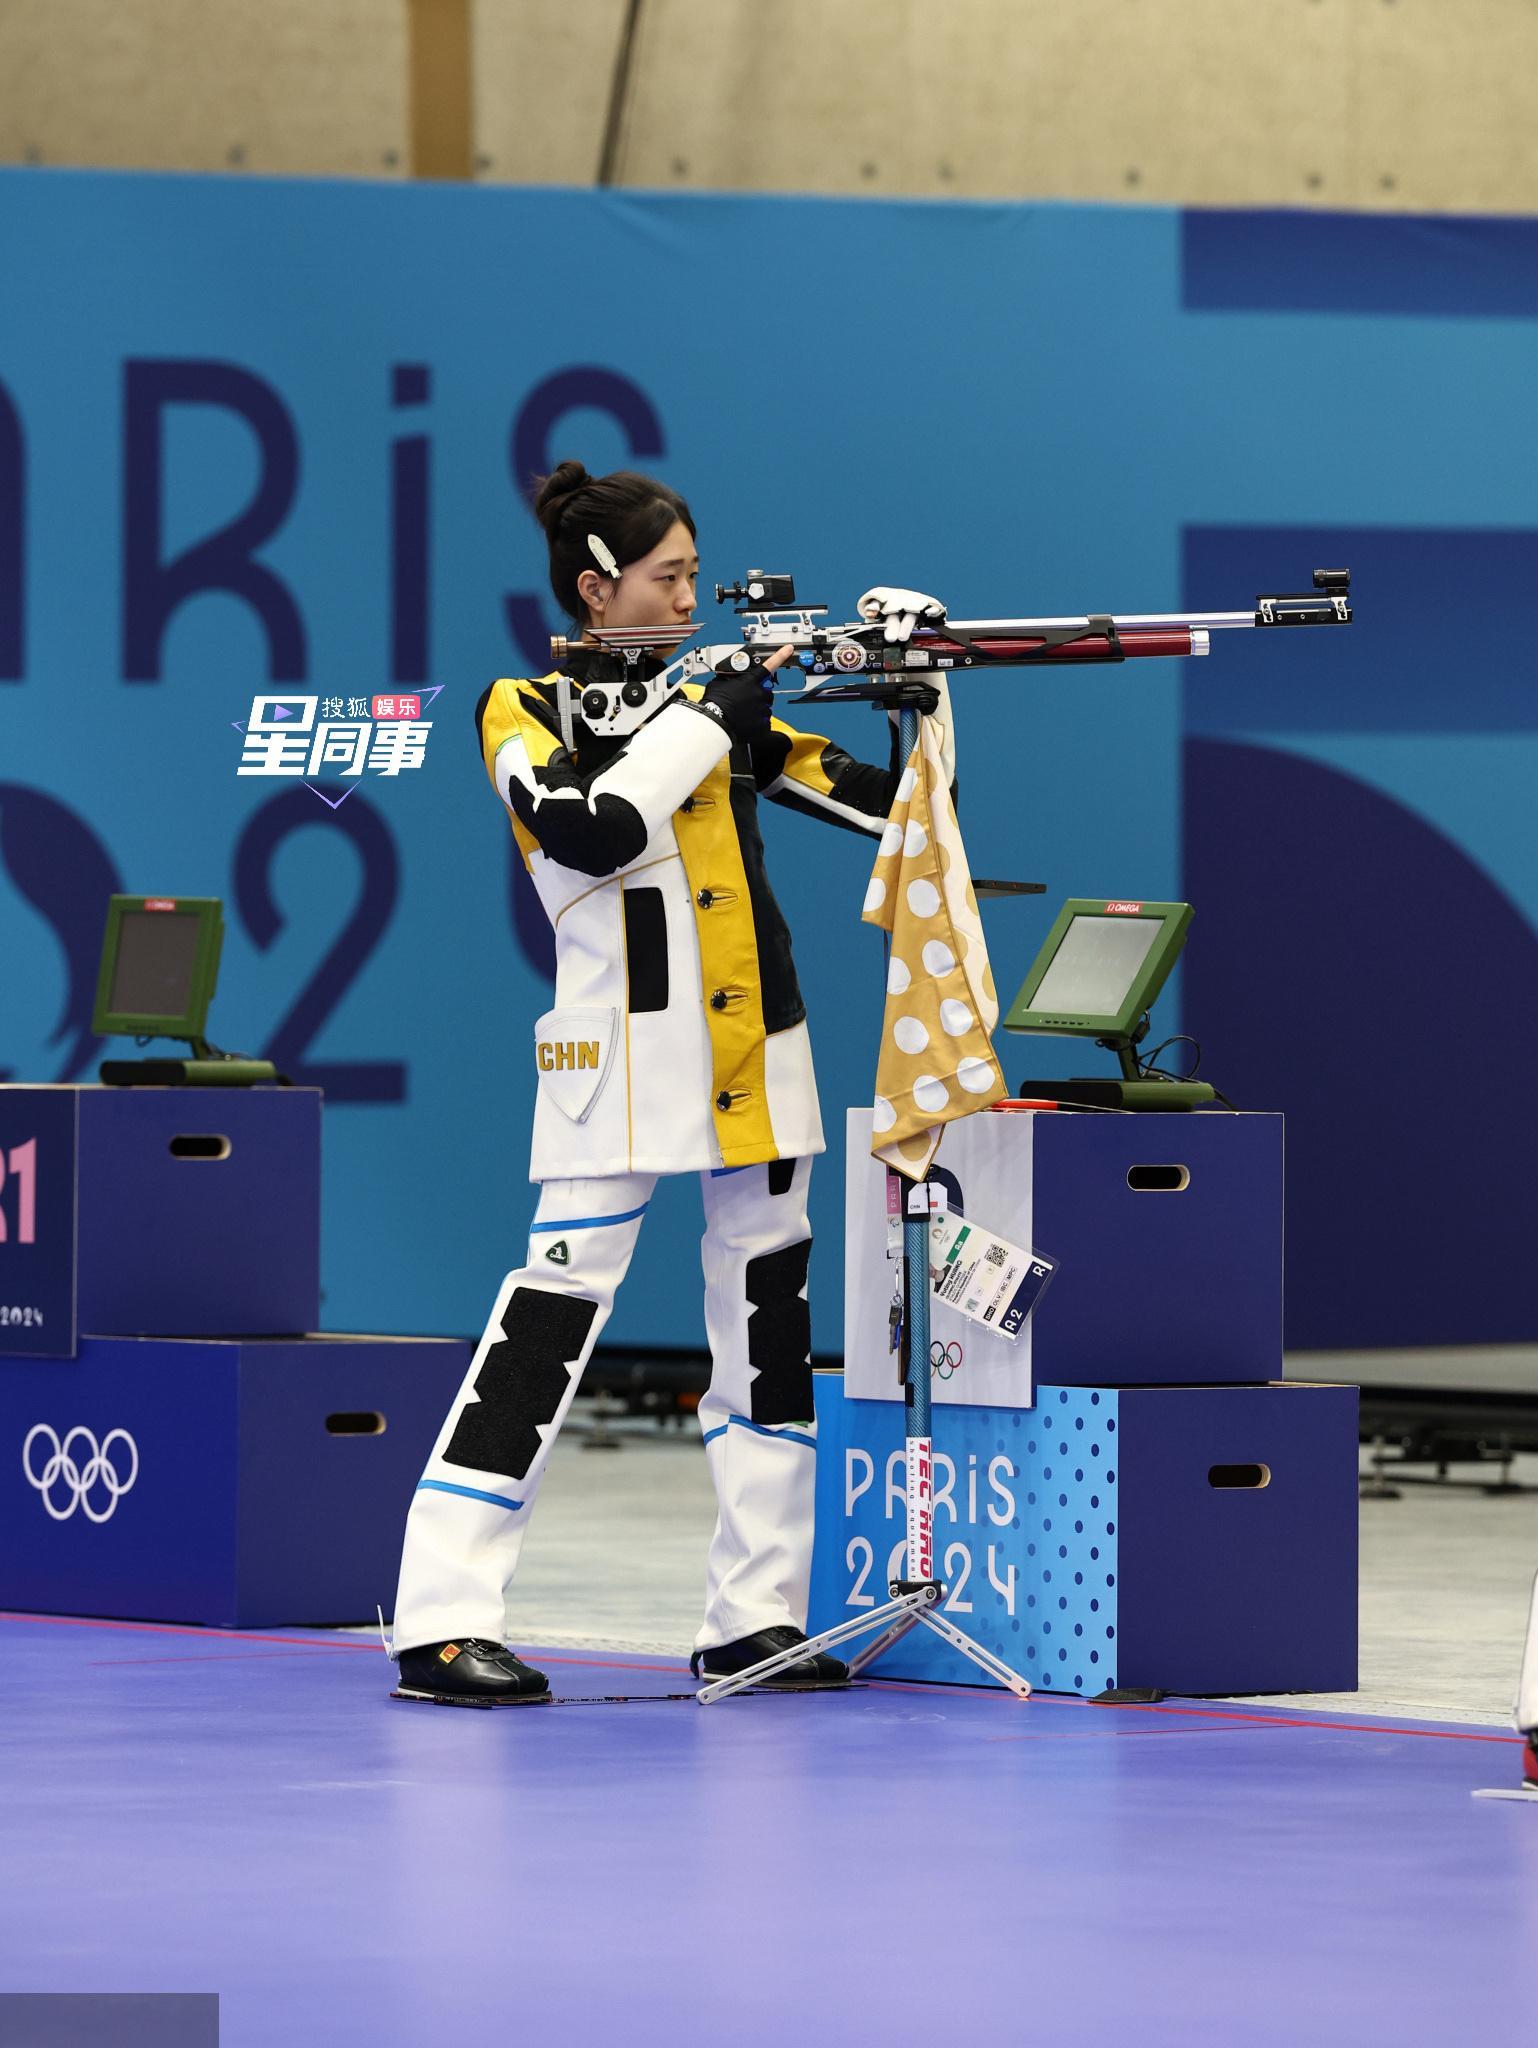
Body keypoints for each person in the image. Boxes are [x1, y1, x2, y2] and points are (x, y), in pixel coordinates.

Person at [389, 459, 952, 1703]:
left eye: (697, 575)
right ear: (595, 588)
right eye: (668, 576)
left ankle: (755, 1616)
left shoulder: (724, 707)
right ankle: (437, 1617)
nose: (691, 598)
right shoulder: (521, 706)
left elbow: (908, 814)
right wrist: (709, 712)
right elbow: (588, 824)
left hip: (760, 1059)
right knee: (545, 1325)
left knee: (769, 1326)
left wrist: (917, 693)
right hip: (619, 1065)